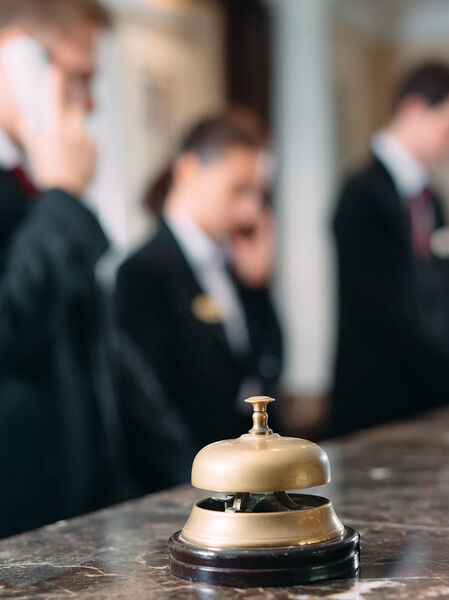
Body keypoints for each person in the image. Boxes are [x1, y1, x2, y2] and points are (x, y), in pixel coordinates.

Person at [330, 62, 449, 437]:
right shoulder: (361, 195)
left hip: (436, 402)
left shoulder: (434, 201)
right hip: (379, 408)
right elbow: (386, 316)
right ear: (414, 110)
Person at [0, 0, 125, 538]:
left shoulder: (33, 188)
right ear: (18, 59)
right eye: (80, 78)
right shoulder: (51, 198)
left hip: (76, 515)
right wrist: (65, 197)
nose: (90, 102)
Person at [116, 115, 283, 494]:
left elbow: (267, 368)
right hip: (192, 486)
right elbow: (151, 408)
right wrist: (199, 485)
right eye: (238, 190)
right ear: (189, 171)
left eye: (258, 194)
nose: (251, 211)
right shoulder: (140, 273)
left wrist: (259, 288)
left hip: (251, 479)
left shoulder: (237, 262)